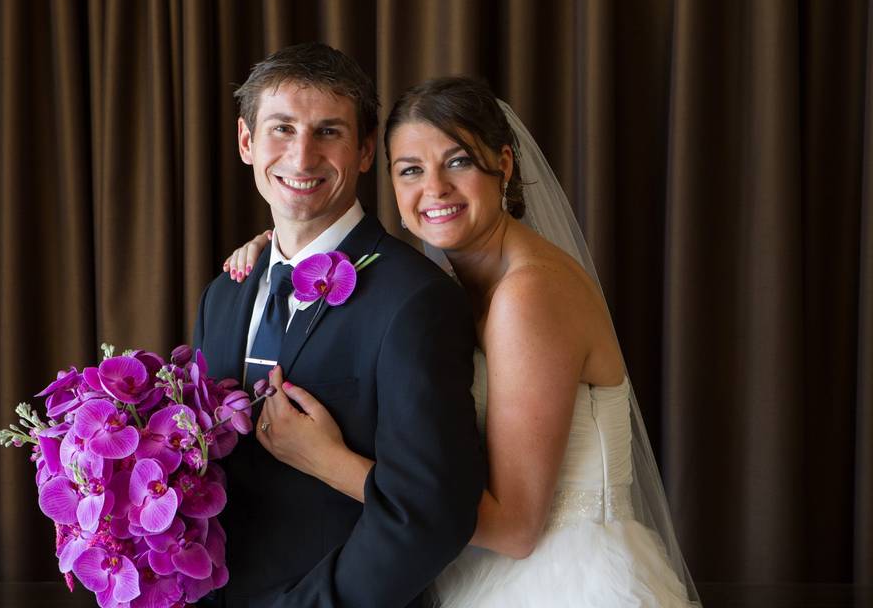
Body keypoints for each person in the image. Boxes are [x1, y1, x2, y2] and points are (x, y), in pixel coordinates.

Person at [223, 76, 702, 606]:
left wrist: (328, 461)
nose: (435, 189)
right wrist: (278, 253)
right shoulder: (454, 284)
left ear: (505, 165)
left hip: (558, 576)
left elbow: (517, 529)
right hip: (471, 572)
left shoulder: (529, 296)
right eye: (410, 170)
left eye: (458, 162)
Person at [193, 45, 485, 607]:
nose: (302, 158)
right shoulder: (223, 295)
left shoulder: (417, 300)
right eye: (282, 129)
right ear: (246, 141)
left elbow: (431, 514)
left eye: (328, 132)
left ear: (366, 149)